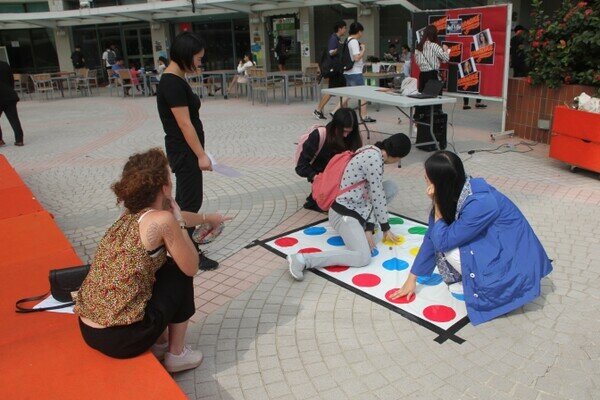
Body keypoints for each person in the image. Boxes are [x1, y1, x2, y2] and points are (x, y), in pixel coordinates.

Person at [75, 148, 229, 370]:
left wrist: (207, 217)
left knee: (161, 267)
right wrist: (181, 225)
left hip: (89, 329)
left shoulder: (130, 213)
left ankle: (160, 343)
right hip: (122, 340)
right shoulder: (164, 220)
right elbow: (192, 266)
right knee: (178, 270)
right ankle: (176, 354)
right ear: (165, 187)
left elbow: (175, 217)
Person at [391, 151, 552, 325]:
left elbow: (442, 241)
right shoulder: (459, 189)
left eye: (427, 177)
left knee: (447, 247)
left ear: (440, 183)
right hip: (498, 248)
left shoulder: (481, 202)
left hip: (514, 266)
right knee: (441, 233)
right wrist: (411, 279)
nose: (425, 180)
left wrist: (436, 202)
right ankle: (468, 278)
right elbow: (432, 234)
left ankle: (486, 286)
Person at [288, 133, 412, 279]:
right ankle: (303, 260)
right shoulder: (374, 159)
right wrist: (385, 227)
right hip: (344, 213)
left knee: (390, 187)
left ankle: (364, 226)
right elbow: (376, 196)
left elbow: (370, 195)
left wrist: (369, 227)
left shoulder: (372, 150)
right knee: (362, 257)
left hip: (358, 205)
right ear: (398, 157)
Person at [156, 31, 219, 271]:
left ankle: (178, 244)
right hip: (183, 151)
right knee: (189, 201)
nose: (201, 62)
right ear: (186, 56)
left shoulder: (176, 77)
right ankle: (183, 248)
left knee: (188, 199)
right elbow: (184, 123)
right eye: (199, 58)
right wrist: (201, 155)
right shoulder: (171, 82)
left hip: (185, 150)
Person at [296, 108, 363, 212]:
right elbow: (301, 167)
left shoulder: (352, 138)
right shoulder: (319, 135)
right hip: (320, 174)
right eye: (344, 131)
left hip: (340, 178)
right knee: (328, 205)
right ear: (335, 126)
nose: (346, 135)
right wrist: (319, 178)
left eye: (349, 132)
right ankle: (319, 195)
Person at [342, 22, 376, 124]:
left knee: (347, 94)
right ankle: (364, 115)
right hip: (355, 72)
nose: (362, 34)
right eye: (361, 31)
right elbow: (356, 58)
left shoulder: (347, 40)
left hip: (348, 71)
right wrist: (363, 50)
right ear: (359, 31)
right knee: (363, 94)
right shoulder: (354, 42)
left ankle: (343, 114)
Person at [313, 21, 347, 120]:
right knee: (334, 90)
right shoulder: (334, 38)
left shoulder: (336, 38)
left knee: (342, 90)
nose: (345, 30)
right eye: (344, 28)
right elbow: (331, 52)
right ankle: (319, 110)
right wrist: (340, 47)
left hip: (337, 69)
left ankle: (339, 111)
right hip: (334, 69)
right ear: (340, 28)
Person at [414, 24, 450, 93]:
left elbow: (417, 61)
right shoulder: (434, 46)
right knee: (435, 100)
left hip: (422, 75)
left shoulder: (418, 47)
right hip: (432, 76)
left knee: (423, 100)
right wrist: (446, 50)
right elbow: (446, 58)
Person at [0, 60, 24, 147]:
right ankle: (19, 140)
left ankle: (0, 140)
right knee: (14, 119)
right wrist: (10, 90)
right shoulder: (4, 64)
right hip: (9, 95)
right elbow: (11, 79)